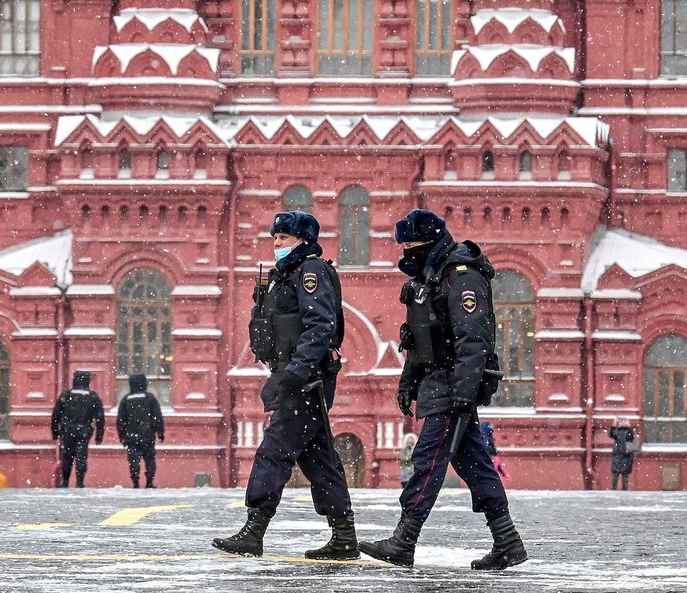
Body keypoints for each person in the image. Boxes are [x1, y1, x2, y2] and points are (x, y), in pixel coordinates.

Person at [359, 209, 527, 571]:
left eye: (412, 245)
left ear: (430, 242)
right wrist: (408, 383)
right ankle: (507, 541)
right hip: (440, 384)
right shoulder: (429, 279)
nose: (407, 253)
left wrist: (463, 392)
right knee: (475, 464)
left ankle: (404, 541)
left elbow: (474, 340)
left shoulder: (460, 277)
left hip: (452, 387)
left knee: (428, 460)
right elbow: (419, 340)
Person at [212, 210, 357, 560]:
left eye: (285, 238)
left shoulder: (311, 271)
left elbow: (321, 326)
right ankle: (344, 536)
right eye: (275, 237)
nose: (276, 243)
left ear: (303, 240)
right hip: (293, 374)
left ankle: (254, 529)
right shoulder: (285, 275)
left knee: (274, 449)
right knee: (318, 458)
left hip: (304, 379)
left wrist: (296, 372)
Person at [51, 370, 105, 488]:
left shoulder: (66, 395)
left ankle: (65, 481)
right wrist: (99, 436)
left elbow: (56, 415)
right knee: (81, 455)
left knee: (67, 455)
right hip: (84, 430)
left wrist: (55, 432)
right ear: (87, 381)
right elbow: (100, 417)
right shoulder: (93, 396)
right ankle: (80, 482)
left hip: (68, 430)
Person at [116, 374, 165, 488]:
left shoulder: (126, 399)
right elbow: (157, 416)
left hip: (131, 435)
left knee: (133, 459)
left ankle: (135, 482)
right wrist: (160, 432)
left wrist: (122, 435)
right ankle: (149, 482)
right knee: (149, 459)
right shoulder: (150, 398)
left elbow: (121, 420)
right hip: (147, 434)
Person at [608, 417, 636, 490]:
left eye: (623, 421)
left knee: (625, 475)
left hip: (626, 454)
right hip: (618, 454)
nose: (622, 423)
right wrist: (613, 425)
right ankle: (613, 489)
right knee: (615, 474)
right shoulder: (617, 431)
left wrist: (629, 426)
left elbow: (631, 436)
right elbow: (611, 434)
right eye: (621, 421)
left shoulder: (629, 431)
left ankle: (624, 490)